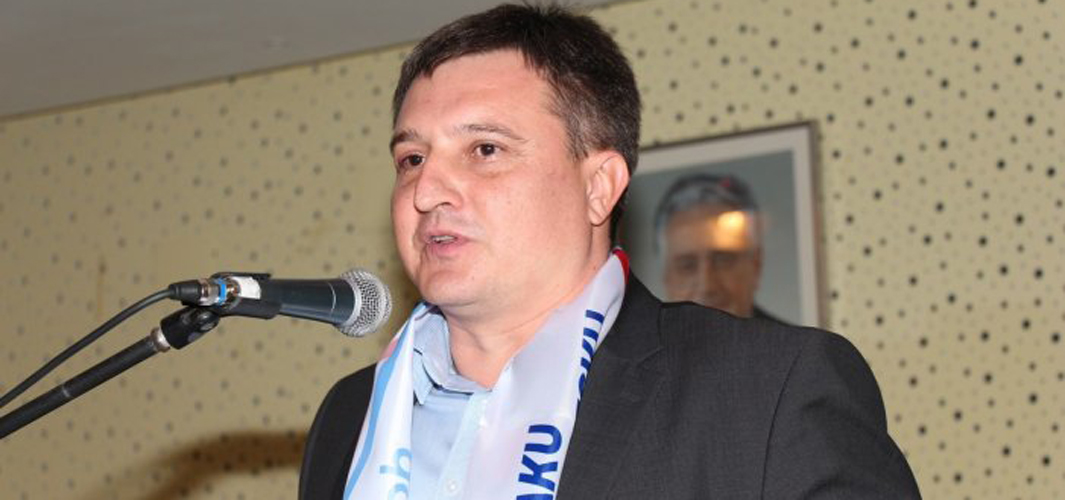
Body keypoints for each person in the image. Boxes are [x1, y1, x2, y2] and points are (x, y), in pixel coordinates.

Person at [300, 4, 921, 499]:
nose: (426, 190)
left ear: (599, 187)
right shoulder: (351, 416)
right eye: (411, 158)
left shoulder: (769, 389)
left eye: (485, 150)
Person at [654, 173, 784, 321]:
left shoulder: (792, 337)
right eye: (687, 266)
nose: (707, 286)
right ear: (666, 279)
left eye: (723, 260)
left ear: (756, 266)